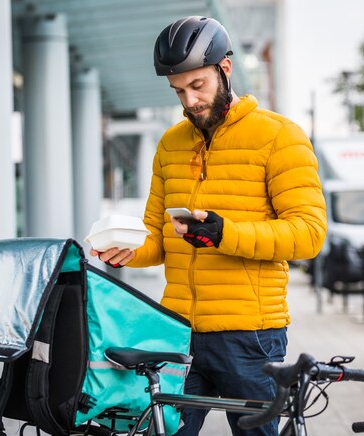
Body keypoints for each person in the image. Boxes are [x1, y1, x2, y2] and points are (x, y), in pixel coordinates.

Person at [91, 16, 326, 436]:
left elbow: (308, 233)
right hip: (179, 330)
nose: (190, 100)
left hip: (250, 337)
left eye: (198, 85)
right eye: (179, 91)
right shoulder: (170, 143)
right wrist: (125, 249)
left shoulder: (279, 136)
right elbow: (156, 238)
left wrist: (225, 234)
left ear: (225, 68)